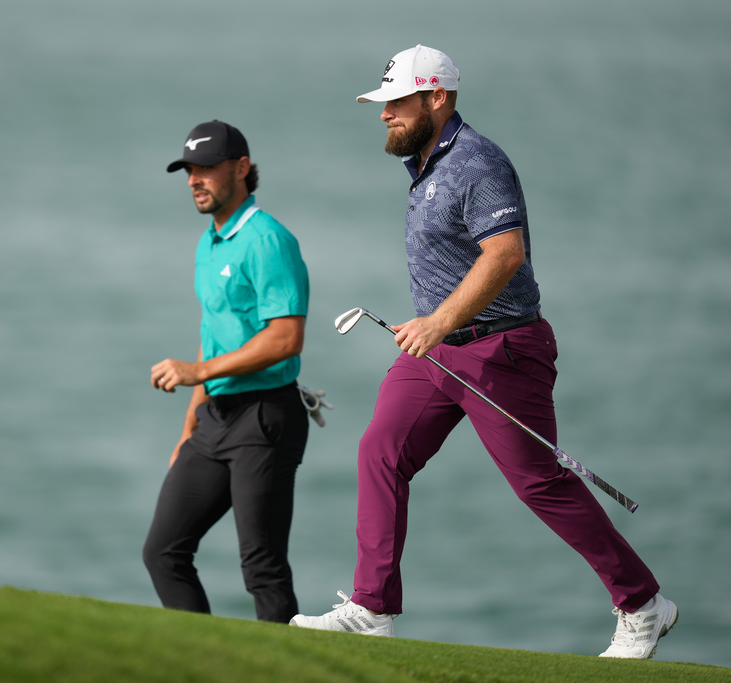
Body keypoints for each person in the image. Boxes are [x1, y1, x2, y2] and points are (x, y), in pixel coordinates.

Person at [289, 45, 677, 659]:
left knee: (538, 483)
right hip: (440, 352)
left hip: (502, 350)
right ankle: (371, 608)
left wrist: (438, 321)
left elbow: (506, 254)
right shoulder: (423, 162)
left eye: (396, 103)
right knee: (380, 452)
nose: (385, 114)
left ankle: (643, 605)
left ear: (436, 97)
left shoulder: (476, 162)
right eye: (383, 104)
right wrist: (437, 330)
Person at [143, 120, 312, 623]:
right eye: (189, 170)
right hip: (215, 418)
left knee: (262, 568)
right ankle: (203, 662)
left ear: (241, 169)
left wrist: (197, 372)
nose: (196, 179)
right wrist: (190, 425)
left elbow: (286, 337)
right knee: (163, 551)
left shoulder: (268, 240)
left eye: (207, 169)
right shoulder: (209, 242)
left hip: (265, 418)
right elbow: (214, 333)